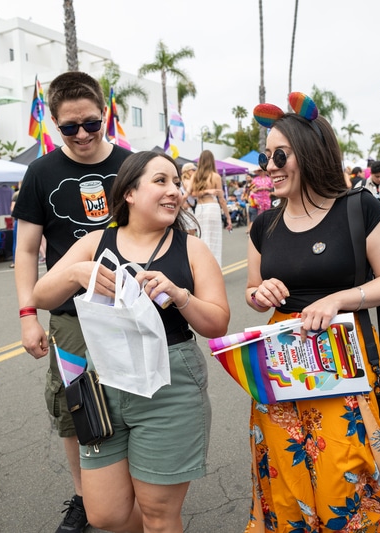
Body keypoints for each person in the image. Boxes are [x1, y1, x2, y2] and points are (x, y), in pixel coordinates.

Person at [245, 93, 380, 531]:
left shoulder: (358, 208)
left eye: (279, 155)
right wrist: (260, 293)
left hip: (343, 360)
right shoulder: (264, 223)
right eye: (267, 156)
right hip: (281, 367)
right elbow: (251, 289)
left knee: (349, 474)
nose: (269, 166)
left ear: (309, 152)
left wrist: (339, 298)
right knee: (287, 475)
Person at [34, 151, 230, 531]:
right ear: (129, 192)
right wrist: (77, 271)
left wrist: (181, 295)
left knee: (159, 515)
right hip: (103, 384)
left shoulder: (190, 248)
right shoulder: (94, 243)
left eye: (177, 182)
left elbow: (218, 323)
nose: (174, 190)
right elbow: (41, 295)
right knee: (105, 514)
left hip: (170, 385)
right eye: (161, 181)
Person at [11, 71, 133, 533]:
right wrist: (28, 316)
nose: (82, 135)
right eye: (69, 127)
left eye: (91, 123)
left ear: (105, 115)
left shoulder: (131, 166)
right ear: (54, 123)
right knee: (75, 408)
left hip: (132, 310)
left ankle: (138, 487)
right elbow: (25, 251)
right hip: (70, 316)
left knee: (135, 400)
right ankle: (84, 499)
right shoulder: (41, 172)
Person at [186, 150, 232, 266]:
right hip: (212, 208)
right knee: (214, 241)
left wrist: (203, 191)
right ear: (212, 161)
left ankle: (201, 267)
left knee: (202, 239)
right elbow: (221, 200)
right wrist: (228, 218)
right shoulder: (215, 177)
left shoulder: (195, 176)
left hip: (200, 209)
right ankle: (214, 269)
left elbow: (191, 193)